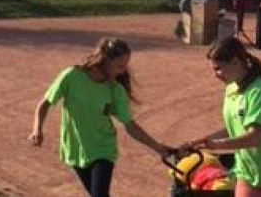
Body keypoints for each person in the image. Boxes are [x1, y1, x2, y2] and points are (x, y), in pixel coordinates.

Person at [29, 37, 171, 197]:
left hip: (103, 149)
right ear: (105, 60)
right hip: (75, 148)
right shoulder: (71, 76)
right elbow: (45, 103)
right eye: (120, 66)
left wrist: (158, 147)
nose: (123, 71)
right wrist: (37, 129)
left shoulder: (115, 89)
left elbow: (130, 126)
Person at [182, 37, 261, 197]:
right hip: (247, 176)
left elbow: (255, 138)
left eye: (218, 69)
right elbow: (234, 128)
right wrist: (202, 141)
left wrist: (216, 145)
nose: (215, 75)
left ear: (235, 62)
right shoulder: (231, 88)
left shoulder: (260, 90)